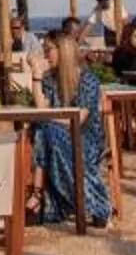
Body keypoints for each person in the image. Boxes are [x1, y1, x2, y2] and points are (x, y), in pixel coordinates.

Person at [29, 30, 113, 229]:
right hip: (55, 135)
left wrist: (49, 119)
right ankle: (88, 205)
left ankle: (38, 194)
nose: (45, 54)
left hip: (86, 138)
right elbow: (42, 110)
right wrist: (36, 77)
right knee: (44, 129)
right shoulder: (50, 79)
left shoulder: (87, 80)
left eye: (48, 49)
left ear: (63, 51)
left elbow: (79, 119)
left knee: (45, 129)